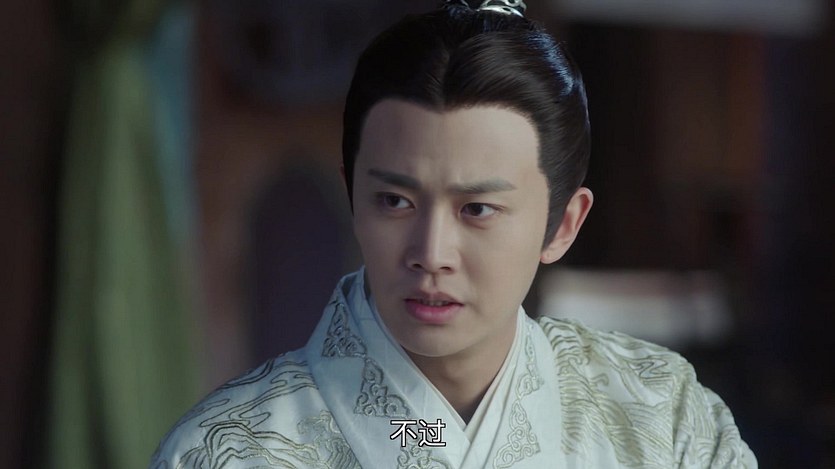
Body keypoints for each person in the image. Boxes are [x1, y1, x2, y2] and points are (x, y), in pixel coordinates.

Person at [151, 1, 757, 467]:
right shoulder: (227, 451)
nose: (431, 254)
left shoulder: (663, 416)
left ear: (563, 224)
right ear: (352, 197)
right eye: (395, 201)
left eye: (478, 209)